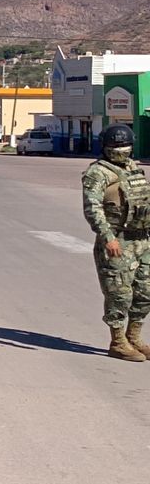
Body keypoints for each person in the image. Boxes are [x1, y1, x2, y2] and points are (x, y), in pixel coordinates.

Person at [82, 123, 150, 362]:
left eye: (124, 145)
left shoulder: (133, 167)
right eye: (116, 146)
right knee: (119, 294)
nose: (121, 150)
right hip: (117, 241)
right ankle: (118, 341)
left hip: (141, 241)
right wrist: (107, 237)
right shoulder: (97, 173)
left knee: (145, 292)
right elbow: (93, 208)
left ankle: (135, 337)